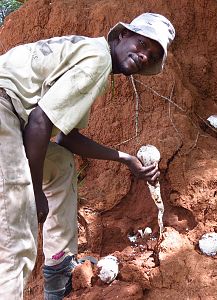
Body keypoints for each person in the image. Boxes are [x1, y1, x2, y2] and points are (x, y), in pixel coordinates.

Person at [0, 12, 175, 300]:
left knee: (60, 164)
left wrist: (126, 159)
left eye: (152, 55)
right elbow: (39, 122)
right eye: (142, 44)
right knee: (14, 242)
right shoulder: (98, 60)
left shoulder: (92, 56)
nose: (144, 55)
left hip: (13, 117)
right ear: (122, 35)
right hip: (4, 110)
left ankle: (58, 269)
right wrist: (33, 191)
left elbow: (66, 139)